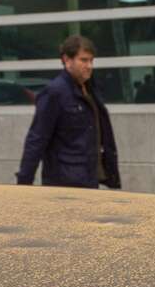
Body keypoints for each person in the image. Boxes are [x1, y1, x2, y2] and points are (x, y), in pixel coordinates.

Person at [16, 35, 121, 189]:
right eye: (83, 60)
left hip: (89, 179)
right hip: (65, 183)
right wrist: (24, 184)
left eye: (91, 60)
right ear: (67, 60)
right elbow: (37, 139)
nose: (89, 66)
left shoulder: (90, 89)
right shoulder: (55, 93)